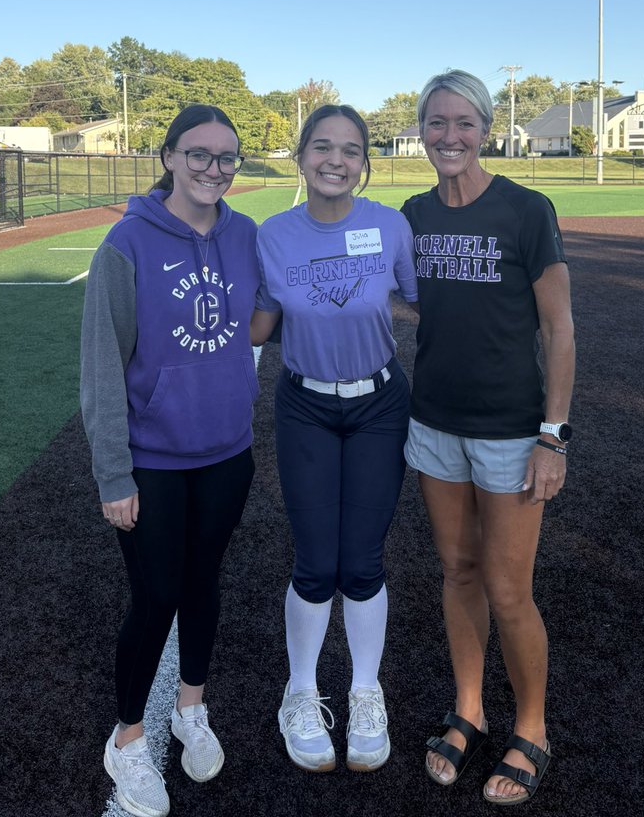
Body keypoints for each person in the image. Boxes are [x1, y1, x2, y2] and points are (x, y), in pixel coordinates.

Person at [81, 104, 260, 817]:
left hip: (227, 454)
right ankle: (128, 739)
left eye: (227, 158)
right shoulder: (125, 244)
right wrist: (113, 474)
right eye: (199, 155)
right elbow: (100, 369)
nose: (214, 169)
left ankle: (190, 707)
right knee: (155, 597)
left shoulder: (246, 236)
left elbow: (270, 315)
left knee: (203, 585)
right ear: (168, 157)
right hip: (152, 462)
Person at [402, 70, 575, 807]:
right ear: (422, 129)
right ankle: (469, 709)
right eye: (436, 122)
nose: (450, 136)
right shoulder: (410, 214)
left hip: (511, 433)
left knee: (509, 590)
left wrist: (553, 437)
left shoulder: (527, 209)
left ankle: (531, 726)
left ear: (486, 126)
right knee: (458, 572)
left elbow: (559, 327)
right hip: (435, 425)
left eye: (463, 122)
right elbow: (394, 297)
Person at [251, 104, 418, 774]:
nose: (336, 159)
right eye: (323, 146)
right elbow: (259, 321)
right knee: (318, 562)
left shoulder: (389, 226)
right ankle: (300, 692)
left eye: (351, 149)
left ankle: (364, 690)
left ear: (365, 163)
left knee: (363, 561)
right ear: (302, 157)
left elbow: (420, 301)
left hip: (379, 405)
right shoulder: (272, 235)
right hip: (307, 408)